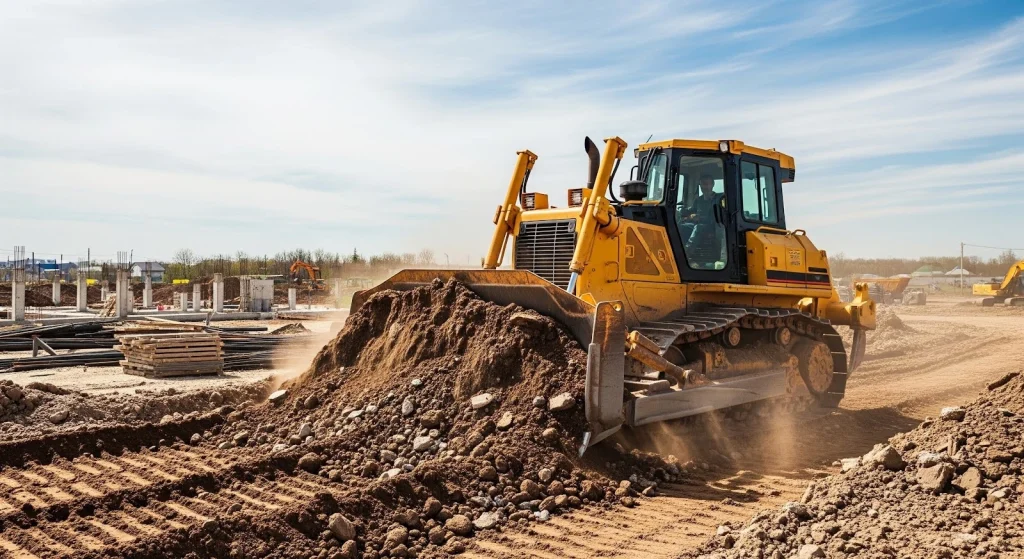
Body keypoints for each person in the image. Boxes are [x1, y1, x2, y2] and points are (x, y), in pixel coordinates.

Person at [677, 174, 724, 267]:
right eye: (703, 184)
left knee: (698, 227)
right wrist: (681, 211)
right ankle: (677, 249)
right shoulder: (698, 200)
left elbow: (718, 216)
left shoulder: (719, 198)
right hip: (697, 225)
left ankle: (686, 253)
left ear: (712, 185)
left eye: (707, 184)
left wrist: (699, 218)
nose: (705, 187)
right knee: (680, 226)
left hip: (714, 226)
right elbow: (690, 211)